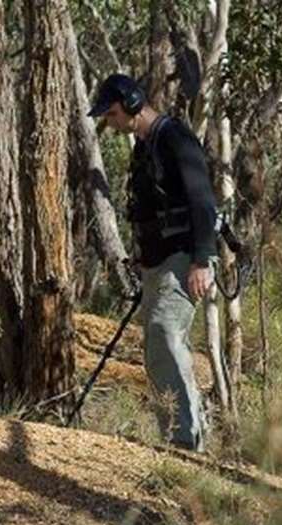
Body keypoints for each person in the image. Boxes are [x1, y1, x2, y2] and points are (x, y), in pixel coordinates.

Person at [89, 73, 218, 452]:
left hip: (184, 259)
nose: (109, 122)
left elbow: (202, 200)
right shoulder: (145, 147)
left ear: (130, 104)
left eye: (111, 113)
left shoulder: (175, 138)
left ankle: (184, 438)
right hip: (157, 262)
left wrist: (202, 259)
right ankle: (182, 429)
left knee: (164, 331)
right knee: (156, 345)